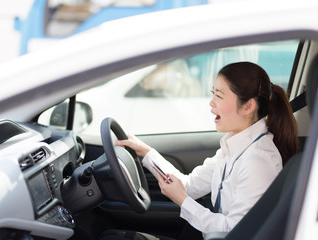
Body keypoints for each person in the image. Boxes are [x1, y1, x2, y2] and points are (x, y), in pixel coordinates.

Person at [100, 62, 298, 240]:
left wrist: (183, 201)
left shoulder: (258, 160)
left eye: (219, 96)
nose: (211, 103)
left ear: (248, 106)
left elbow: (233, 231)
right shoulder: (233, 145)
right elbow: (189, 185)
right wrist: (146, 152)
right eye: (212, 93)